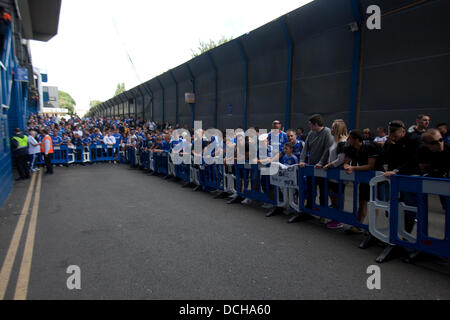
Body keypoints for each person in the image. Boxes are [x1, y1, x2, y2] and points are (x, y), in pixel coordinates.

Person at [290, 114, 334, 223]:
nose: (309, 126)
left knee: (323, 191)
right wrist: (302, 160)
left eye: (310, 124)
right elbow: (306, 148)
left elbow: (327, 149)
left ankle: (323, 214)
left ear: (315, 124)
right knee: (310, 190)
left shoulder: (327, 132)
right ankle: (308, 211)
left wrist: (321, 162)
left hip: (321, 167)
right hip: (311, 166)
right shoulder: (311, 133)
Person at [343, 130, 379, 233]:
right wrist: (347, 166)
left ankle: (373, 227)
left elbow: (371, 165)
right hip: (364, 177)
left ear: (356, 140)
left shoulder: (369, 147)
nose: (347, 140)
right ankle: (358, 225)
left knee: (375, 203)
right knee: (362, 201)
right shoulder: (351, 148)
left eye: (350, 138)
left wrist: (353, 168)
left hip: (377, 177)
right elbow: (347, 162)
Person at [323, 119, 348, 229]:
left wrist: (330, 165)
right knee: (332, 196)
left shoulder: (342, 142)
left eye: (333, 127)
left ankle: (339, 220)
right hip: (332, 174)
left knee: (338, 197)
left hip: (338, 175)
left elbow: (341, 159)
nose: (331, 129)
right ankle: (335, 217)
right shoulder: (335, 141)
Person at [418, 129, 450, 209]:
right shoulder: (423, 151)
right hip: (434, 175)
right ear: (425, 144)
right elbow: (412, 164)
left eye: (441, 140)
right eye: (434, 143)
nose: (439, 143)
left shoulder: (448, 148)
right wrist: (396, 171)